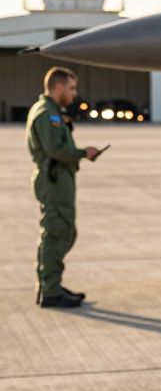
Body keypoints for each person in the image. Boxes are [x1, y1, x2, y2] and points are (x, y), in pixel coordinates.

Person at [27, 66, 100, 308]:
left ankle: (52, 285)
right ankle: (50, 290)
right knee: (57, 232)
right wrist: (83, 153)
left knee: (62, 232)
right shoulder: (47, 114)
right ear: (58, 87)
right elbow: (54, 150)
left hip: (58, 178)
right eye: (71, 88)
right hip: (54, 179)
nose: (73, 93)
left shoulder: (51, 111)